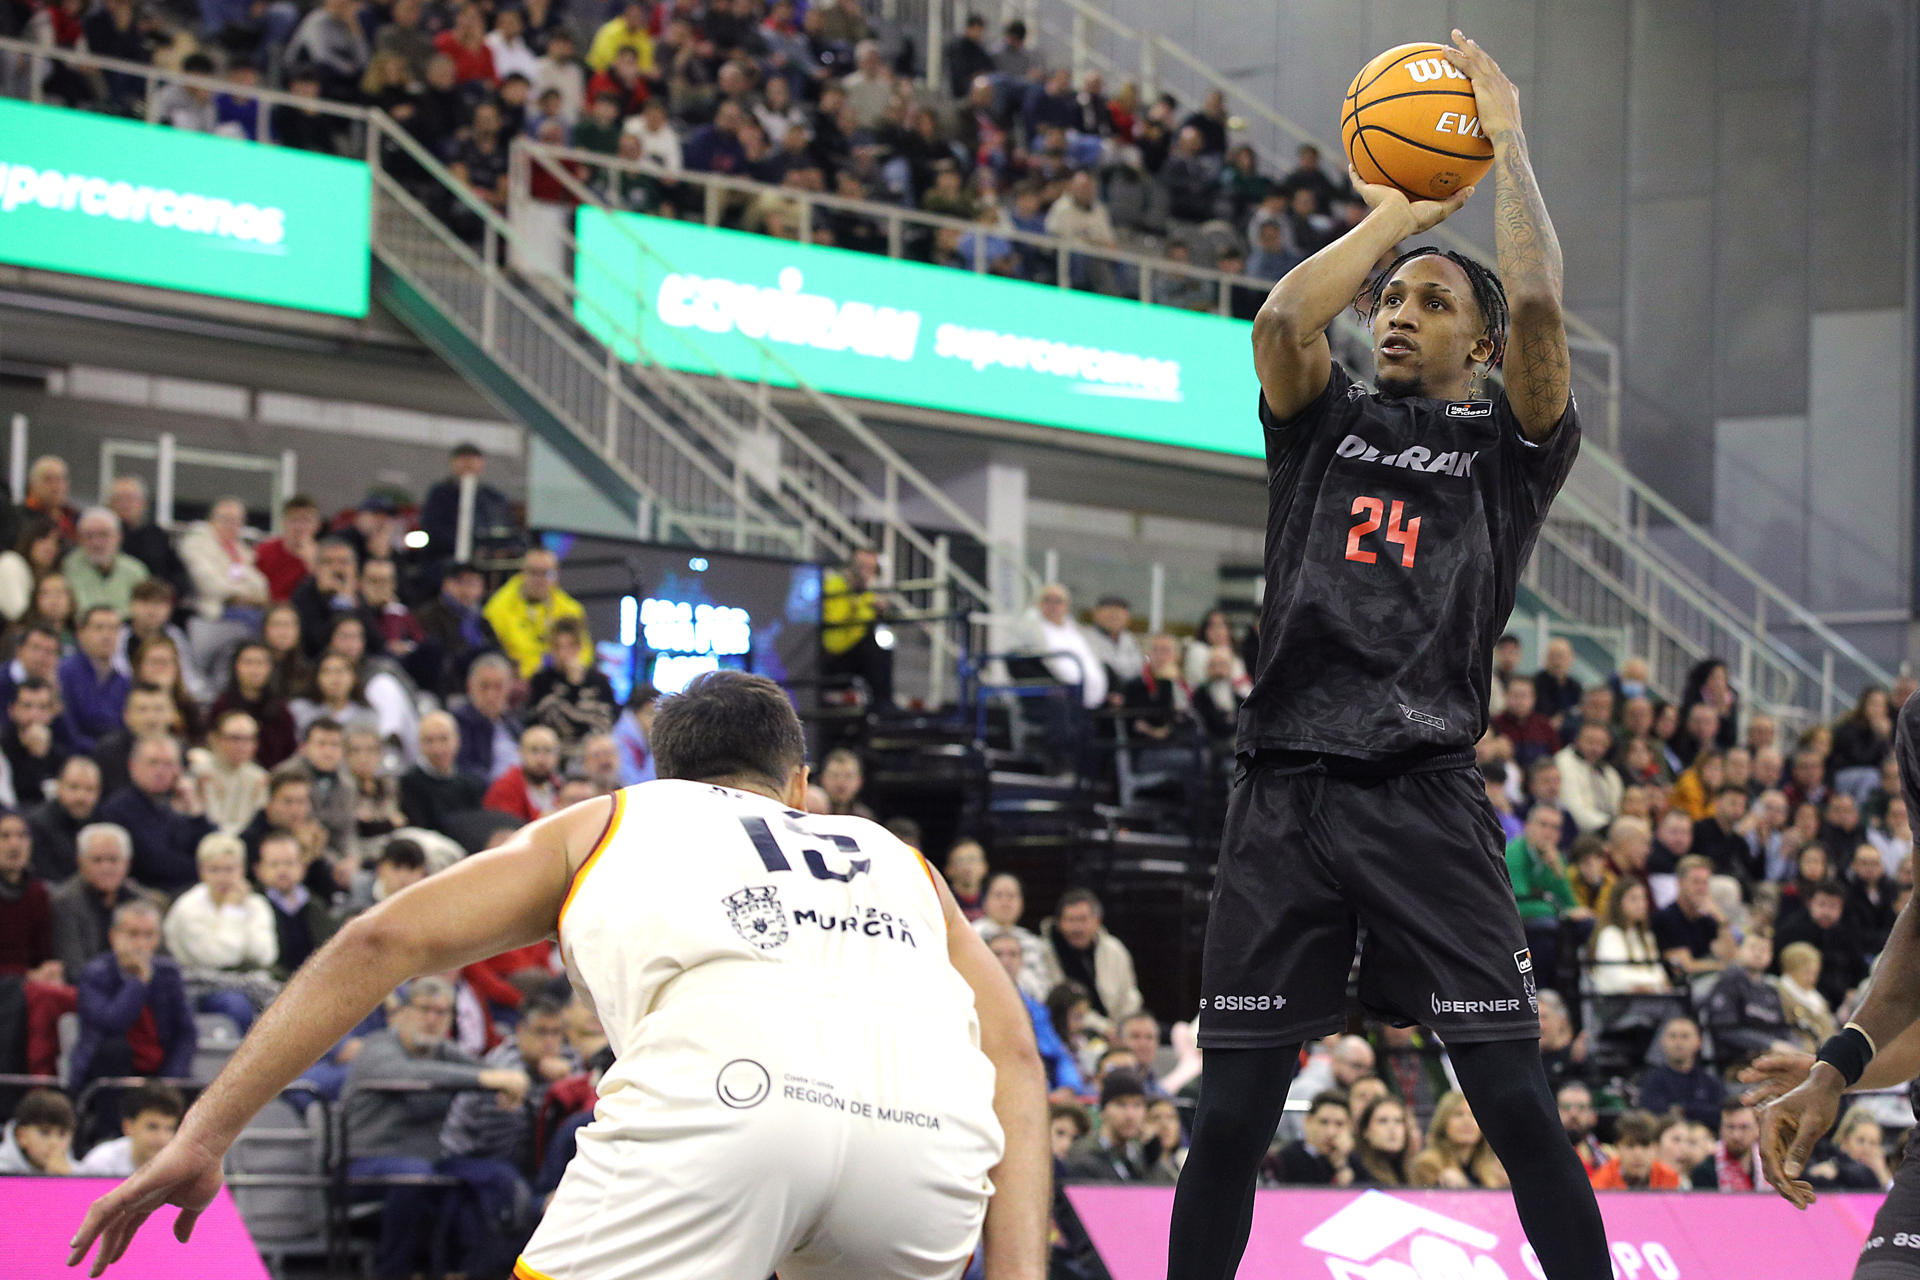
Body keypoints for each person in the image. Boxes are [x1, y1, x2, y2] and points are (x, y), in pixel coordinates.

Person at [71, 670, 1048, 1280]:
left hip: (732, 1105)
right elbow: (1013, 1055)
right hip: (926, 1147)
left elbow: (379, 943)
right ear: (800, 785)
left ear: (662, 770)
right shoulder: (899, 858)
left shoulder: (618, 816)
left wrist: (208, 1131)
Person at [1169, 33, 1606, 1280]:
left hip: (1422, 791)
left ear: (1476, 347)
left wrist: (1504, 146)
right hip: (1284, 790)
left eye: (1429, 301)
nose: (1399, 313)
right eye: (1393, 301)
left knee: (1517, 1104)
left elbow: (1534, 302)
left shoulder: (1505, 450)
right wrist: (1398, 219)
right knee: (1230, 1122)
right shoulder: (1325, 423)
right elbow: (1282, 316)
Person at [71, 899, 196, 1087]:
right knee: (114, 1049)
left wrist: (171, 1080)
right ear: (113, 936)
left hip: (159, 1074)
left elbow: (186, 1033)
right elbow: (113, 1024)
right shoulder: (94, 974)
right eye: (133, 934)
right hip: (106, 1076)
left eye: (149, 935)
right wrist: (138, 982)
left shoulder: (168, 973)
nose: (141, 944)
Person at [97, 737, 217, 896]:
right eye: (153, 763)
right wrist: (203, 869)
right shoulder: (118, 809)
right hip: (146, 895)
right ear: (132, 766)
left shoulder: (177, 806)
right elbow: (157, 865)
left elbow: (215, 851)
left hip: (190, 892)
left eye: (168, 764)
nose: (160, 771)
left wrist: (195, 810)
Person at [1039, 888, 1142, 1037]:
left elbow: (1129, 995)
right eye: (1071, 920)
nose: (1077, 928)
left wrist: (1123, 1027)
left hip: (1117, 1029)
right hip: (1071, 1030)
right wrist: (1103, 1027)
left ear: (1097, 921)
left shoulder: (1115, 949)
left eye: (1083, 920)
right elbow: (1059, 1002)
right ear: (1060, 923)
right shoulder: (1046, 952)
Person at [484, 547, 586, 678]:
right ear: (523, 572)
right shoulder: (497, 609)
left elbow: (584, 653)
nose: (540, 579)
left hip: (559, 678)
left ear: (557, 575)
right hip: (515, 681)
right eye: (534, 572)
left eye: (547, 573)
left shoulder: (572, 611)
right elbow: (493, 655)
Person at [819, 547, 895, 708]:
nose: (867, 572)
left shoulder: (867, 593)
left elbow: (867, 619)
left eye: (872, 568)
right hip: (832, 653)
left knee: (881, 638)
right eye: (862, 566)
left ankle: (883, 703)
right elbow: (838, 617)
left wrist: (880, 610)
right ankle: (882, 703)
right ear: (852, 566)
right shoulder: (835, 585)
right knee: (872, 644)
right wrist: (860, 601)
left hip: (856, 654)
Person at [526, 617, 617, 751]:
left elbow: (607, 721)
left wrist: (576, 684)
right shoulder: (541, 681)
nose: (563, 654)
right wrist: (572, 688)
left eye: (569, 646)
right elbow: (535, 721)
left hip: (591, 752)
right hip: (553, 752)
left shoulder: (598, 682)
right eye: (558, 647)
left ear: (579, 646)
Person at [59, 606, 133, 753]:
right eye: (99, 628)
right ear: (80, 634)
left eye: (113, 629)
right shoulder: (65, 674)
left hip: (116, 757)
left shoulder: (124, 680)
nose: (107, 635)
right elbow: (67, 729)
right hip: (76, 755)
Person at [1061, 1071, 1157, 1184]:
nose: (1130, 1115)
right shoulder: (1083, 1155)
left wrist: (1154, 1151)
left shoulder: (1139, 1154)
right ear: (1103, 1110)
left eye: (1137, 1105)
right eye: (1120, 1104)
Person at [399, 711, 485, 834]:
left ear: (457, 741)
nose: (437, 749)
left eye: (443, 739)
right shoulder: (409, 783)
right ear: (419, 744)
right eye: (429, 741)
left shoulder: (470, 783)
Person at [76, 1082, 184, 1177]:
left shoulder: (183, 1167)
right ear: (128, 1127)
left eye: (170, 1129)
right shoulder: (100, 1163)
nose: (162, 1138)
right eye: (152, 1127)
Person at [1636, 1016, 1724, 1128]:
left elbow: (1720, 1114)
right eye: (1673, 1036)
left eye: (1685, 1036)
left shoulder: (1711, 1083)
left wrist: (1683, 1110)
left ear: (1698, 1042)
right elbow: (1649, 1115)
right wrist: (1696, 1111)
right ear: (1662, 1041)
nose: (1678, 1042)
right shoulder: (1650, 1081)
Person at [1409, 1091, 1507, 1188]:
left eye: (1473, 1115)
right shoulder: (1428, 1164)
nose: (1467, 1121)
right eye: (1458, 1114)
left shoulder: (1495, 1169)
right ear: (1443, 1122)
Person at [63, 507, 149, 617]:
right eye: (89, 536)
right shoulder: (68, 567)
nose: (96, 543)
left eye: (104, 535)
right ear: (79, 538)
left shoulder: (135, 571)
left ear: (118, 537)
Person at [454, 653, 523, 784]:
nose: (491, 695)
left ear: (508, 688)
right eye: (484, 686)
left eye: (498, 686)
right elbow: (464, 769)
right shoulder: (460, 722)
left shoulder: (513, 722)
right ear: (470, 686)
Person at [30, 756, 101, 883]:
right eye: (74, 787)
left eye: (89, 789)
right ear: (59, 787)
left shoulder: (100, 822)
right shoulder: (38, 824)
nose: (81, 796)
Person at [1271, 1091, 1354, 1186]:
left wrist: (1341, 1165)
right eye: (1324, 1122)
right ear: (1307, 1121)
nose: (1331, 1132)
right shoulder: (1284, 1160)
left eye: (1339, 1124)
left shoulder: (1356, 1161)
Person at [1586, 1109, 1681, 1190]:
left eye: (1645, 1145)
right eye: (1630, 1146)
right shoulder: (1600, 1184)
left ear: (1656, 1147)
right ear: (1617, 1147)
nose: (1637, 1154)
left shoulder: (1669, 1178)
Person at [483, 725, 562, 822]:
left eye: (548, 751)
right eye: (534, 751)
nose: (541, 759)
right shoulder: (505, 787)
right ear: (521, 753)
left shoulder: (558, 786)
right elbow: (508, 828)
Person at [0, 1087, 76, 1174]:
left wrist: (68, 1180)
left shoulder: (79, 1173)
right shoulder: (2, 1170)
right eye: (44, 1133)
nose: (54, 1143)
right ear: (21, 1136)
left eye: (62, 1134)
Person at [611, 684, 659, 787]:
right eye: (651, 714)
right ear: (635, 713)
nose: (655, 721)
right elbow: (635, 785)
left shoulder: (643, 743)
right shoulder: (618, 743)